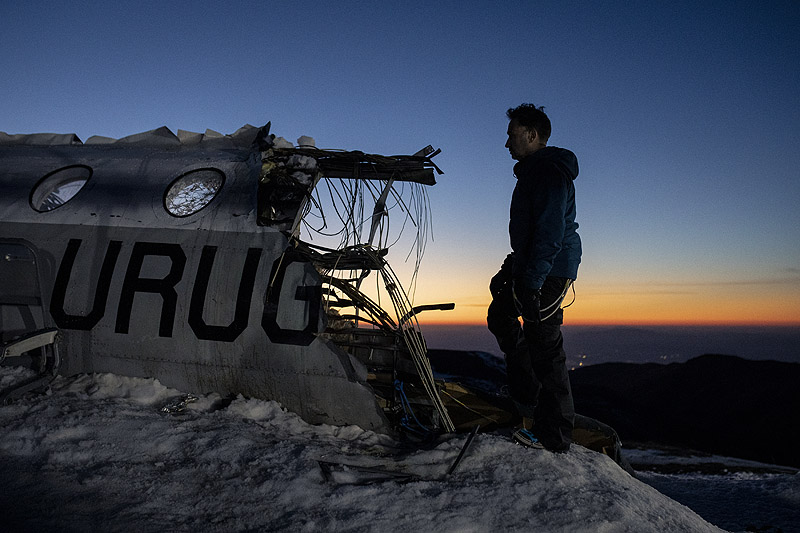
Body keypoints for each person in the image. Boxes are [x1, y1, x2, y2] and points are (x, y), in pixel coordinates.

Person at [488, 104, 581, 452]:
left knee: (544, 342)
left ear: (531, 135)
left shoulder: (547, 172)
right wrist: (511, 268)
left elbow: (550, 234)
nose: (506, 143)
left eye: (512, 135)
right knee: (501, 316)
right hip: (535, 265)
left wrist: (531, 282)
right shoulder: (534, 171)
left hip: (550, 269)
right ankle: (527, 397)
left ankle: (554, 435)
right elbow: (532, 233)